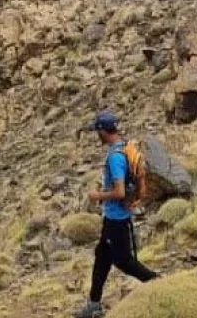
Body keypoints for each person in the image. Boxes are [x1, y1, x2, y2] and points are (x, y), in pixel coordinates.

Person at [75, 110, 158, 317]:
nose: (96, 135)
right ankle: (93, 305)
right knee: (101, 258)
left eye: (97, 131)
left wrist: (97, 196)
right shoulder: (122, 146)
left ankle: (160, 284)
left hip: (117, 221)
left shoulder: (115, 158)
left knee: (125, 262)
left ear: (103, 131)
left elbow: (120, 192)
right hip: (112, 219)